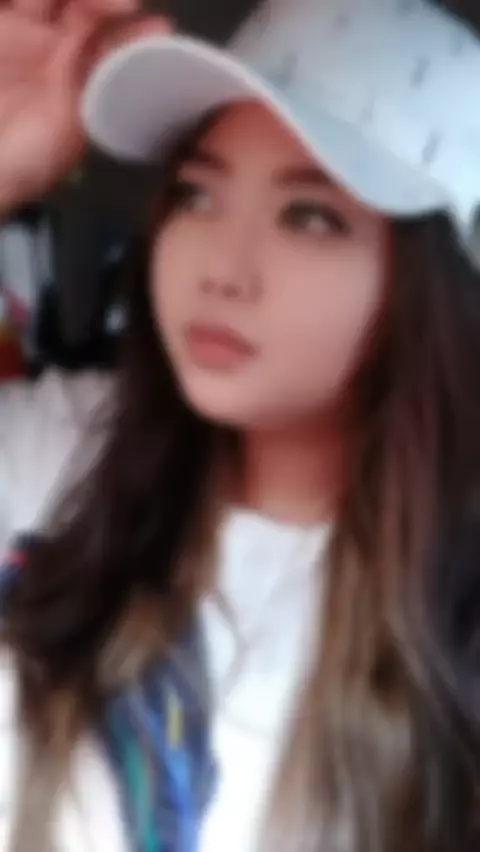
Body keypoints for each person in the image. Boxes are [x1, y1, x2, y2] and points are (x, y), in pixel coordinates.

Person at [1, 0, 480, 851]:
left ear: (432, 287)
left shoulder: (454, 620)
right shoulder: (69, 449)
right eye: (198, 194)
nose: (222, 269)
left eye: (310, 217)